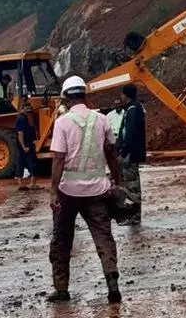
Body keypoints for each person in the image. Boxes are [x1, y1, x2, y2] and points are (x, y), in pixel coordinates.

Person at [48, 75, 124, 304]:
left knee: (62, 240)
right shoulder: (101, 120)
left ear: (65, 98)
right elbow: (111, 153)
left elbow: (58, 159)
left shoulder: (62, 122)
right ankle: (112, 284)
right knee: (104, 237)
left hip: (68, 193)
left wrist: (53, 191)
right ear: (85, 95)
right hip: (98, 191)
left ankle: (61, 289)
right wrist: (117, 182)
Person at [116, 84, 146, 226]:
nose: (120, 97)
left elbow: (130, 135)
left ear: (126, 95)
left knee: (132, 186)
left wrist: (123, 152)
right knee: (129, 185)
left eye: (122, 94)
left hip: (130, 154)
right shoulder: (132, 109)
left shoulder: (133, 111)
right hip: (130, 153)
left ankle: (134, 216)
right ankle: (132, 215)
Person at [15, 101, 39, 191]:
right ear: (22, 109)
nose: (29, 110)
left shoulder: (24, 118)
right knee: (32, 163)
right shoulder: (22, 119)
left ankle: (21, 183)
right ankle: (32, 183)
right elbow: (20, 133)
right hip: (26, 145)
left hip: (23, 145)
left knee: (20, 163)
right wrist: (24, 146)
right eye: (27, 108)